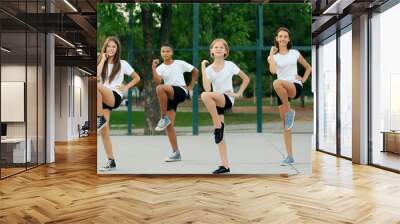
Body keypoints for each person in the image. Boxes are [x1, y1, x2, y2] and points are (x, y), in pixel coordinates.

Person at [201, 38, 250, 174]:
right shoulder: (209, 69)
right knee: (220, 137)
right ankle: (225, 165)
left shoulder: (230, 65)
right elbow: (206, 86)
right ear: (211, 51)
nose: (218, 49)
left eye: (221, 47)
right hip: (215, 102)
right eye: (215, 47)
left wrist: (239, 93)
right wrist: (203, 68)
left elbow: (246, 79)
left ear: (225, 52)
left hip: (227, 98)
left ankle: (218, 125)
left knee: (205, 95)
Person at [267, 27, 312, 165]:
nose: (282, 38)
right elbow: (273, 70)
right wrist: (271, 54)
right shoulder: (273, 58)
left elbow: (308, 67)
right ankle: (290, 156)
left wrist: (303, 79)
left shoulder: (294, 53)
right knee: (286, 126)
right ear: (276, 39)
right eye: (280, 36)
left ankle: (290, 112)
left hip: (294, 86)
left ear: (288, 39)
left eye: (285, 36)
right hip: (282, 91)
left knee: (276, 82)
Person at [97, 36, 141, 171]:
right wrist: (103, 59)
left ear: (117, 49)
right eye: (109, 46)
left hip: (114, 96)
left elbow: (137, 78)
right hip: (101, 98)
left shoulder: (122, 64)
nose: (111, 49)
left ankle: (99, 118)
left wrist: (126, 87)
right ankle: (111, 161)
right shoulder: (100, 61)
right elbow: (97, 76)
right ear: (105, 48)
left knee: (95, 86)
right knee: (104, 132)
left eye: (114, 47)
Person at [152, 43, 199, 162]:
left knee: (160, 88)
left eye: (168, 51)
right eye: (163, 51)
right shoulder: (160, 68)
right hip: (170, 95)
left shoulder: (179, 63)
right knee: (169, 126)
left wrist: (191, 86)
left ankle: (163, 117)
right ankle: (176, 153)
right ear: (161, 53)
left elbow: (195, 71)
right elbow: (158, 81)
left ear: (172, 53)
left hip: (181, 91)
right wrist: (153, 68)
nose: (165, 53)